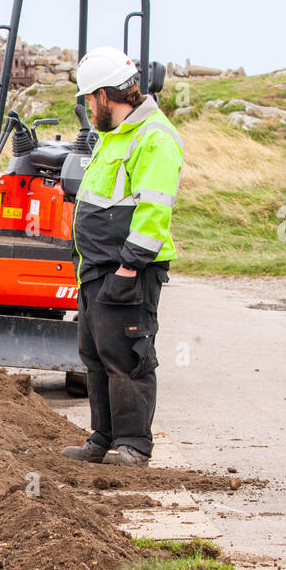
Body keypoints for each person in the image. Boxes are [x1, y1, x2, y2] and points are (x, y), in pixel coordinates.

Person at [62, 46, 183, 467]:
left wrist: (129, 266)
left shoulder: (154, 139)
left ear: (104, 95)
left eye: (89, 99)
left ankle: (134, 445)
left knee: (128, 357)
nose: (88, 108)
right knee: (96, 355)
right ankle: (104, 437)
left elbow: (153, 212)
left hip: (128, 270)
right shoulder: (116, 138)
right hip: (97, 269)